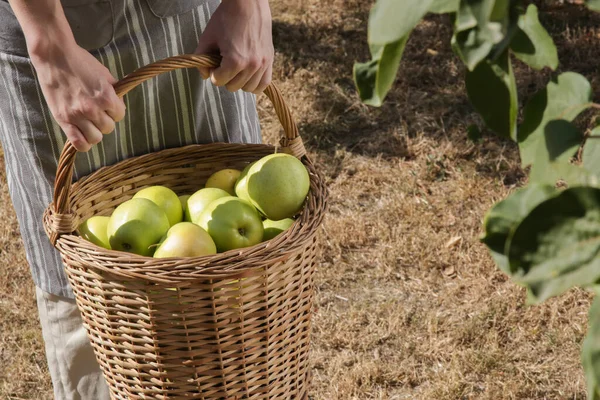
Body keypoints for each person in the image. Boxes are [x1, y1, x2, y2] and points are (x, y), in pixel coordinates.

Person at [0, 0, 274, 398]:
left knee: (233, 291)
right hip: (60, 28)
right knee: (90, 294)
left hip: (193, 24)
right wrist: (50, 44)